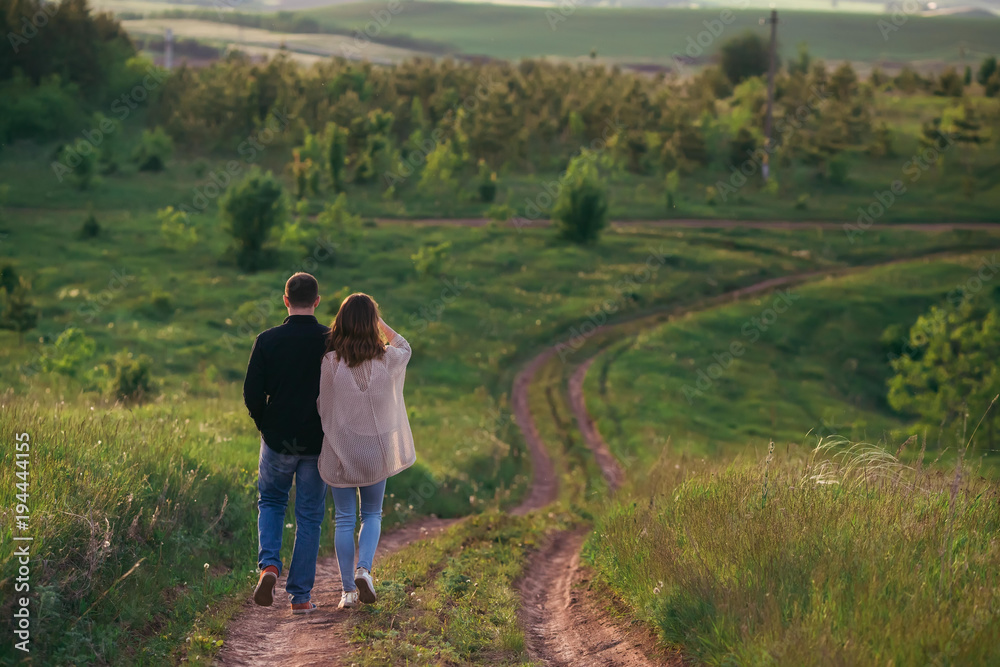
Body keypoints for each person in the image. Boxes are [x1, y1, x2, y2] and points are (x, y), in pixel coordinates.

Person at [317, 293, 416, 609]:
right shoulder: (387, 358)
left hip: (342, 449)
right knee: (372, 513)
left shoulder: (331, 362)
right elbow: (406, 346)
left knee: (345, 519)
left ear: (341, 323)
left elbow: (323, 407)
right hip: (377, 448)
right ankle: (365, 570)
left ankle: (347, 591)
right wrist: (378, 322)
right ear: (373, 323)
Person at [243, 272, 329, 615]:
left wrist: (266, 424)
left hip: (279, 440)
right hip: (317, 441)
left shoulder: (267, 340)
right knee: (309, 516)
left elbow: (251, 392)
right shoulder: (332, 339)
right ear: (317, 301)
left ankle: (269, 568)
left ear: (285, 299)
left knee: (272, 501)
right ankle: (301, 597)